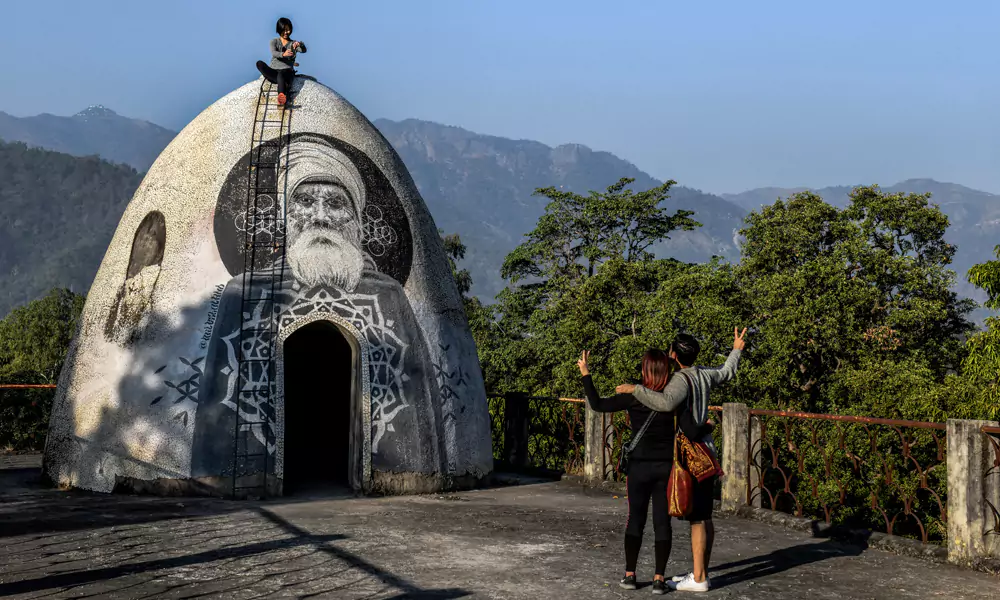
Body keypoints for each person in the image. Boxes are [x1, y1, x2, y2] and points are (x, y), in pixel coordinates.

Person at [616, 328, 746, 592]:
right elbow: (727, 371)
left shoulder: (679, 380)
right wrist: (737, 349)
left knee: (697, 517)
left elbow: (664, 403)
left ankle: (699, 578)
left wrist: (635, 389)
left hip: (689, 454)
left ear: (673, 355)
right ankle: (700, 573)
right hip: (707, 452)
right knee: (704, 515)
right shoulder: (705, 374)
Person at [579, 348, 711, 594]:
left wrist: (586, 373)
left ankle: (630, 575)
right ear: (667, 372)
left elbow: (596, 404)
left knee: (635, 519)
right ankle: (659, 579)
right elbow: (692, 431)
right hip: (665, 469)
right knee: (662, 524)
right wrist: (707, 426)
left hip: (638, 467)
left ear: (644, 370)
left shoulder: (634, 396)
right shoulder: (672, 400)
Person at [255, 17, 307, 107]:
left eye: (288, 30)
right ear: (279, 30)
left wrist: (300, 44)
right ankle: (280, 81)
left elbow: (303, 50)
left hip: (286, 72)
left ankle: (281, 97)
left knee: (281, 74)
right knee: (259, 63)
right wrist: (283, 54)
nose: (287, 32)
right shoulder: (274, 41)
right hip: (274, 71)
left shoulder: (293, 43)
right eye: (284, 30)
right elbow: (274, 53)